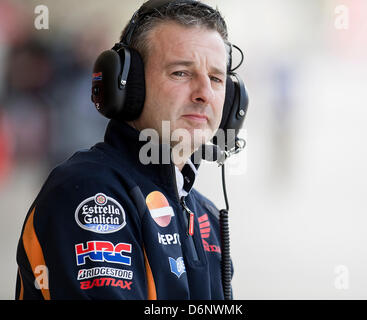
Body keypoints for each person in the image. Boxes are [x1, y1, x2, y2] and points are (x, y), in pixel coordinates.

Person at [16, 0, 246, 300]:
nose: (204, 93)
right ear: (127, 85)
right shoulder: (88, 193)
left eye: (215, 78)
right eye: (181, 73)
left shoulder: (207, 216)